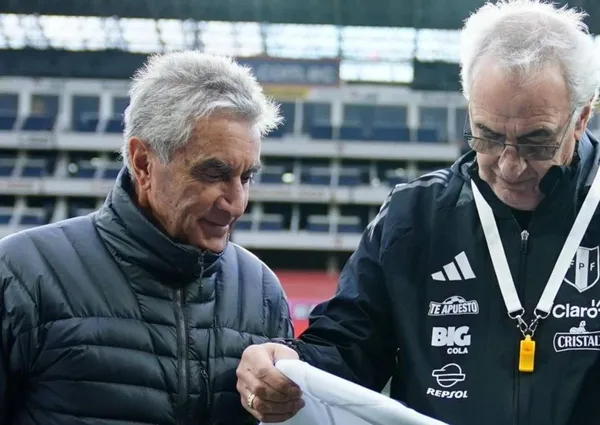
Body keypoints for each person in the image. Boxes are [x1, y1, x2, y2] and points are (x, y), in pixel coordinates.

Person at [236, 1, 600, 424]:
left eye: (537, 142)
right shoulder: (413, 216)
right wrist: (287, 364)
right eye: (487, 136)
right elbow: (348, 347)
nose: (509, 165)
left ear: (581, 117)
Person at [0, 51, 294, 425]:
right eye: (213, 173)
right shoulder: (22, 274)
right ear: (143, 163)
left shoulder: (263, 292)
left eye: (247, 177)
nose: (236, 203)